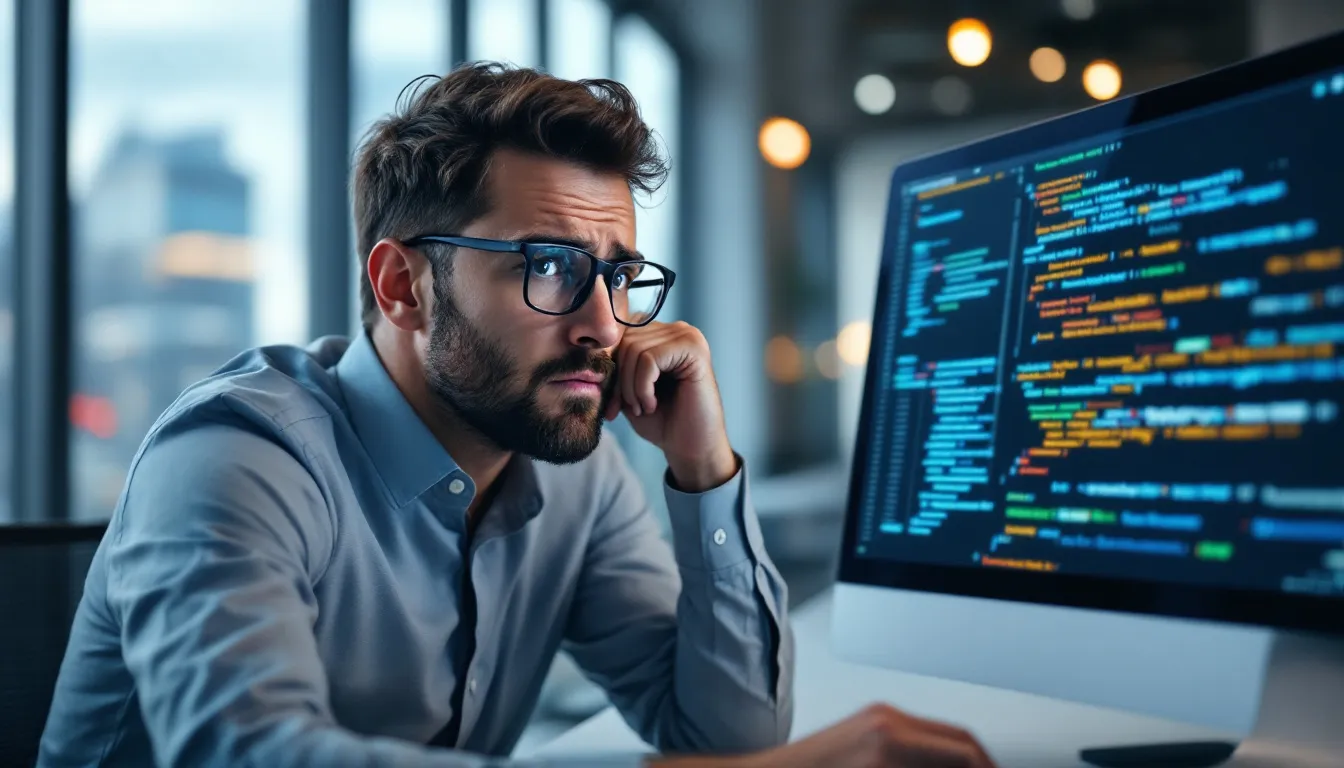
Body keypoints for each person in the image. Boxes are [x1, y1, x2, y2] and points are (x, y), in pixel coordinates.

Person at [38, 64, 995, 768]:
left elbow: (726, 732)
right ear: (404, 286)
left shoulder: (572, 467)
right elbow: (246, 754)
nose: (603, 325)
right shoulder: (237, 456)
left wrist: (704, 469)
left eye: (620, 275)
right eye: (548, 266)